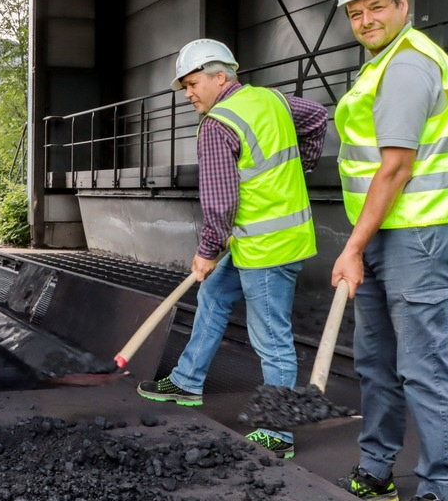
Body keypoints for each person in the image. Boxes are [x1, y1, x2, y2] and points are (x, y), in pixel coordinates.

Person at [329, 0, 448, 501]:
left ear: (402, 3)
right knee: (374, 360)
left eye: (376, 7)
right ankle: (377, 470)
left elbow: (394, 168)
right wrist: (363, 244)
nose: (366, 19)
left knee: (421, 365)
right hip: (387, 232)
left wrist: (349, 247)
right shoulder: (379, 66)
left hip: (418, 235)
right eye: (355, 11)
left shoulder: (410, 67)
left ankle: (439, 494)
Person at [137, 39, 329, 460]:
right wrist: (304, 163)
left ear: (219, 76)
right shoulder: (271, 100)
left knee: (271, 338)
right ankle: (187, 381)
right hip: (268, 238)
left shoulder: (218, 123)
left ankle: (278, 432)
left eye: (193, 84)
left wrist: (206, 249)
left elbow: (220, 201)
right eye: (185, 86)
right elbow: (316, 116)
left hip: (264, 248)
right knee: (213, 295)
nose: (189, 94)